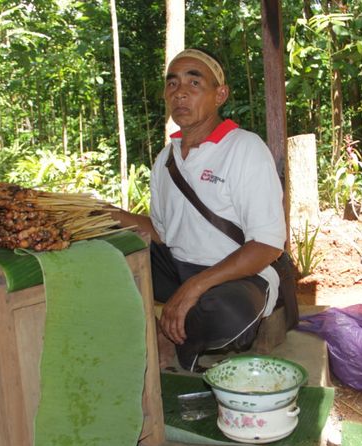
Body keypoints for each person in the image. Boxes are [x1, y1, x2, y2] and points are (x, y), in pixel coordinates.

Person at [112, 48, 287, 371]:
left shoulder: (245, 149)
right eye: (173, 84)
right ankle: (163, 328)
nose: (180, 93)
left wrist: (195, 287)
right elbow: (164, 234)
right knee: (108, 256)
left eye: (194, 83)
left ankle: (170, 337)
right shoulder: (166, 158)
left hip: (235, 275)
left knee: (228, 310)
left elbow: (267, 245)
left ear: (219, 94)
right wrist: (114, 216)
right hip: (179, 267)